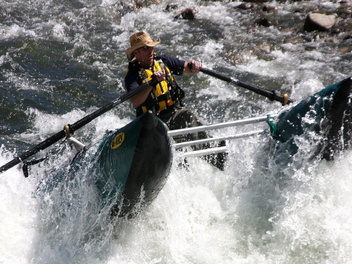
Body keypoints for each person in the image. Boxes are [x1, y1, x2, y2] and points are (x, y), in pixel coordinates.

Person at [124, 30, 226, 170]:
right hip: (153, 122)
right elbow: (136, 101)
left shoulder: (163, 61)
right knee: (168, 143)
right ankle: (179, 169)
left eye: (152, 46)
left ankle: (214, 155)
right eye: (146, 48)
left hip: (173, 113)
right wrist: (152, 82)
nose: (151, 51)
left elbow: (186, 67)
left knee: (189, 116)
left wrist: (193, 66)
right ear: (136, 53)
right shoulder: (132, 76)